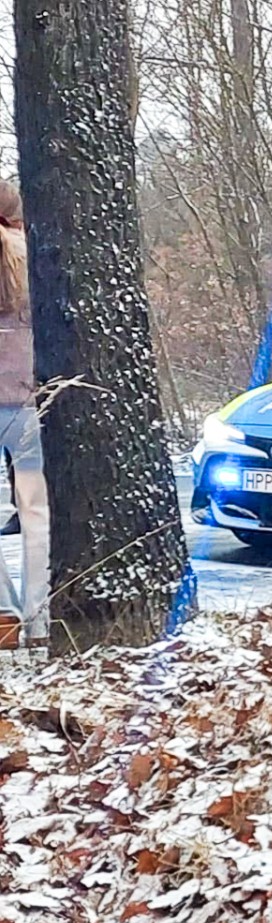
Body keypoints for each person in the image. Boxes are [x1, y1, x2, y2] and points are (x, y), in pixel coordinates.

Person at [0, 181, 48, 645]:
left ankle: (3, 616)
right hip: (29, 400)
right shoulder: (34, 255)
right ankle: (40, 618)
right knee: (35, 510)